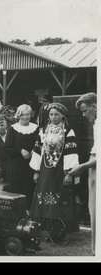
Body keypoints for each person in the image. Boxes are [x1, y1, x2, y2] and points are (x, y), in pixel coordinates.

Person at [29, 103, 80, 244]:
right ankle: (50, 231)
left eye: (56, 114)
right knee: (45, 199)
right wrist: (36, 172)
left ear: (62, 115)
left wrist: (69, 174)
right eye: (51, 114)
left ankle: (62, 233)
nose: (53, 117)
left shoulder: (68, 131)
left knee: (61, 198)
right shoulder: (43, 130)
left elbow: (71, 152)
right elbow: (38, 151)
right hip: (46, 171)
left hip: (60, 171)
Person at [68, 92, 97, 255]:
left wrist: (82, 167)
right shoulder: (96, 123)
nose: (84, 115)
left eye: (86, 111)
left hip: (94, 166)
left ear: (95, 106)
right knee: (93, 210)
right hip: (93, 167)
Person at [4, 104, 39, 210]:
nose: (25, 117)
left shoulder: (35, 128)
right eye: (22, 114)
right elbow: (7, 148)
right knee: (16, 192)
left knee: (29, 190)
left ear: (31, 115)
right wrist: (20, 151)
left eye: (27, 114)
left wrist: (34, 151)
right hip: (16, 167)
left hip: (30, 166)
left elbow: (39, 144)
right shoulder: (13, 129)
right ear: (18, 115)